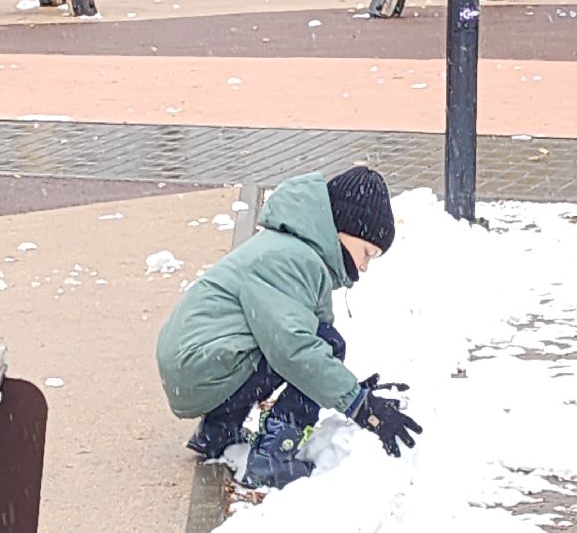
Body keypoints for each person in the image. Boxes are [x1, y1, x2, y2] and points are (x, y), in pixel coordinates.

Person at [155, 166, 422, 488]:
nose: (364, 266)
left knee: (315, 347)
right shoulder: (292, 259)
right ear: (346, 229)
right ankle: (272, 457)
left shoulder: (290, 249)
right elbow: (295, 349)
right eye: (367, 252)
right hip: (202, 366)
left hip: (197, 367)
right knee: (322, 347)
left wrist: (346, 388)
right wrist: (359, 404)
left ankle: (218, 432)